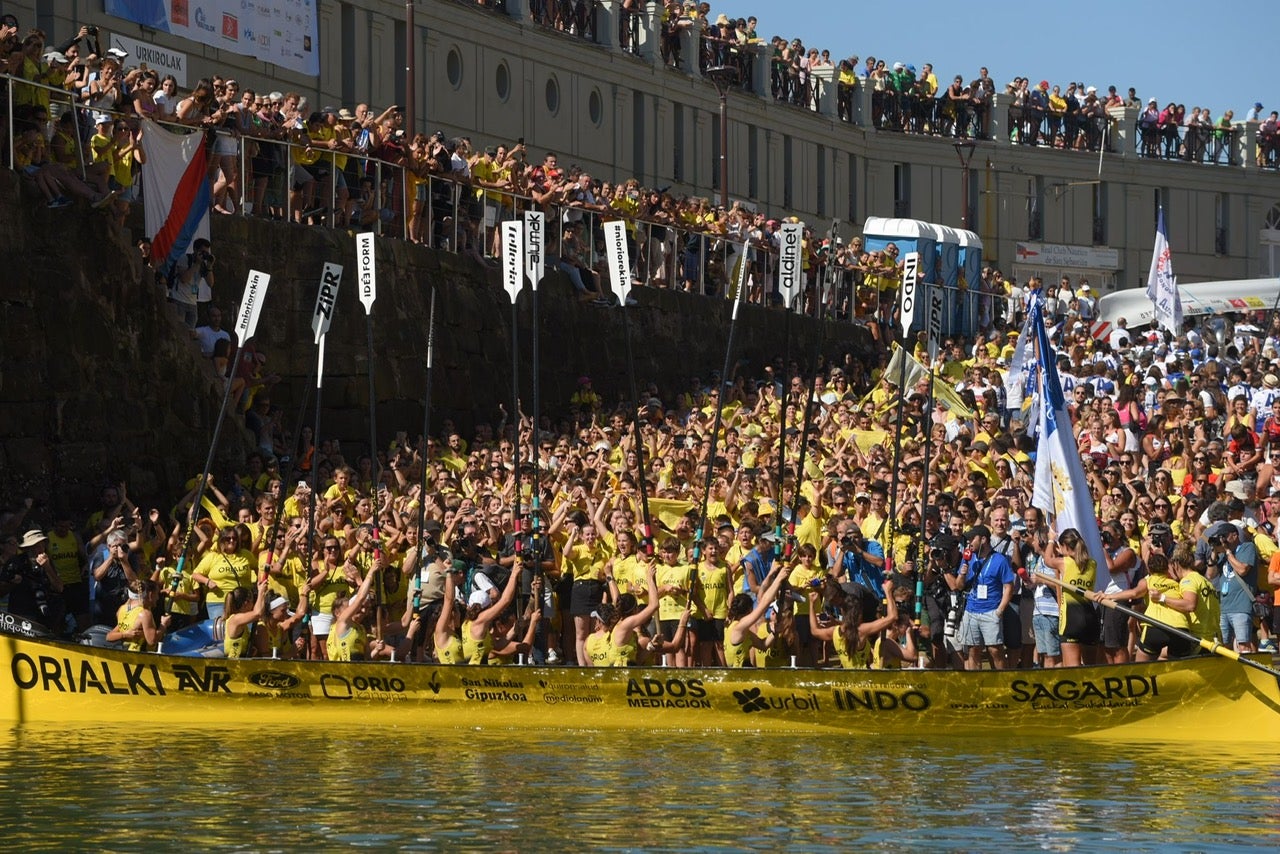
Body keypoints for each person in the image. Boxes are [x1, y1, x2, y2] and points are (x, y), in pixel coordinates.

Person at [953, 525, 1015, 670]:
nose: (969, 543)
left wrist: (999, 611)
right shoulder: (968, 558)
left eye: (972, 539)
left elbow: (1009, 587)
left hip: (991, 611)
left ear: (983, 539)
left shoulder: (1000, 560)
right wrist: (962, 573)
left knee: (995, 650)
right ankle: (975, 684)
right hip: (971, 610)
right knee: (973, 650)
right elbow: (959, 586)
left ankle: (1001, 682)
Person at [806, 578, 899, 668]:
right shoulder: (862, 630)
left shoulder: (835, 631)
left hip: (848, 679)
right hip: (864, 680)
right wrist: (888, 592)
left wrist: (811, 604)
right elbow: (893, 617)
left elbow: (814, 630)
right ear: (858, 612)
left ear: (843, 612)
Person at [1043, 528, 1100, 666]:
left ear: (1065, 546)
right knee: (1091, 668)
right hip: (1090, 617)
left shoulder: (1064, 562)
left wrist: (1051, 540)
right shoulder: (1092, 563)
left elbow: (1047, 560)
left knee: (1072, 668)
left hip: (1071, 619)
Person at [723, 562, 788, 667]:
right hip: (738, 675)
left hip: (747, 670)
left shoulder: (742, 630)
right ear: (749, 610)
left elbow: (763, 645)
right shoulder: (739, 627)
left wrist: (774, 632)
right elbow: (763, 604)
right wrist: (778, 579)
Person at [327, 561, 391, 662]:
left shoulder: (361, 629)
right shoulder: (343, 622)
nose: (361, 610)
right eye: (349, 608)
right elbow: (360, 598)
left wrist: (376, 650)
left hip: (358, 671)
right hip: (341, 670)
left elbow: (367, 658)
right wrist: (370, 572)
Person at [106, 579, 169, 652]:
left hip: (125, 654)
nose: (158, 598)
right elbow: (152, 641)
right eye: (157, 594)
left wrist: (124, 634)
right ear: (150, 595)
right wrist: (163, 625)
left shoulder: (122, 609)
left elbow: (109, 636)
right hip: (141, 657)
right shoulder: (145, 614)